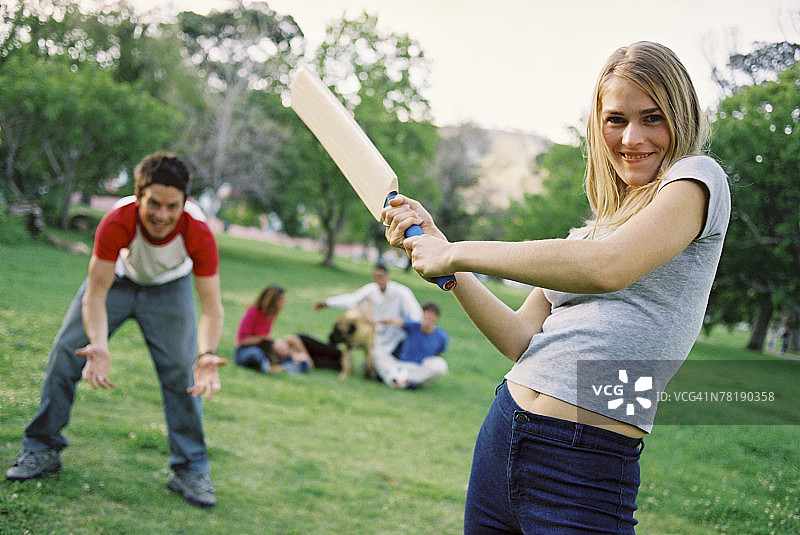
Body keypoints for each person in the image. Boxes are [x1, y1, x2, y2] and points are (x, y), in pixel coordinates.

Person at [382, 41, 730, 533]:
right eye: (616, 119)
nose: (632, 137)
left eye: (653, 118)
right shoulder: (588, 234)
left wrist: (456, 249)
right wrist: (445, 261)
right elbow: (519, 339)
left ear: (682, 117)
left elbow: (608, 267)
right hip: (505, 430)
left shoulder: (699, 181)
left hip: (587, 461)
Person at [5, 153, 227, 509]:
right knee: (67, 352)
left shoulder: (198, 232)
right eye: (153, 203)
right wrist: (98, 343)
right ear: (138, 196)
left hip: (171, 288)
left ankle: (190, 469)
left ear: (184, 203)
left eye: (172, 206)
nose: (162, 215)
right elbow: (95, 293)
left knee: (182, 374)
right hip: (119, 282)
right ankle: (41, 448)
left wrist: (205, 353)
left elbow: (212, 307)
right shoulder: (117, 221)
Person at [314, 262, 423, 370]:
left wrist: (396, 322)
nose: (378, 279)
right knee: (374, 359)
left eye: (381, 276)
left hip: (397, 337)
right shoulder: (371, 289)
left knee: (384, 363)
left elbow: (417, 317)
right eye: (376, 276)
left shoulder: (402, 292)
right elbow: (352, 299)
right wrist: (327, 303)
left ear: (387, 276)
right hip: (377, 335)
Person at [380, 301, 449, 389]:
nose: (428, 316)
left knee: (440, 365)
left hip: (420, 368)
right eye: (426, 312)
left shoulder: (442, 336)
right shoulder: (413, 326)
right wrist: (376, 320)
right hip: (402, 364)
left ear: (436, 317)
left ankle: (407, 381)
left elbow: (438, 355)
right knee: (377, 352)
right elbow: (394, 322)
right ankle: (398, 380)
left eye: (432, 314)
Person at [234, 285, 287, 373]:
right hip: (246, 350)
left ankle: (272, 365)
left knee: (284, 351)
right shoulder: (253, 311)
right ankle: (268, 367)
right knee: (255, 354)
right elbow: (242, 341)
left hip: (262, 349)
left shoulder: (271, 315)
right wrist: (264, 339)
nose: (284, 303)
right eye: (281, 299)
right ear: (272, 300)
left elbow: (265, 338)